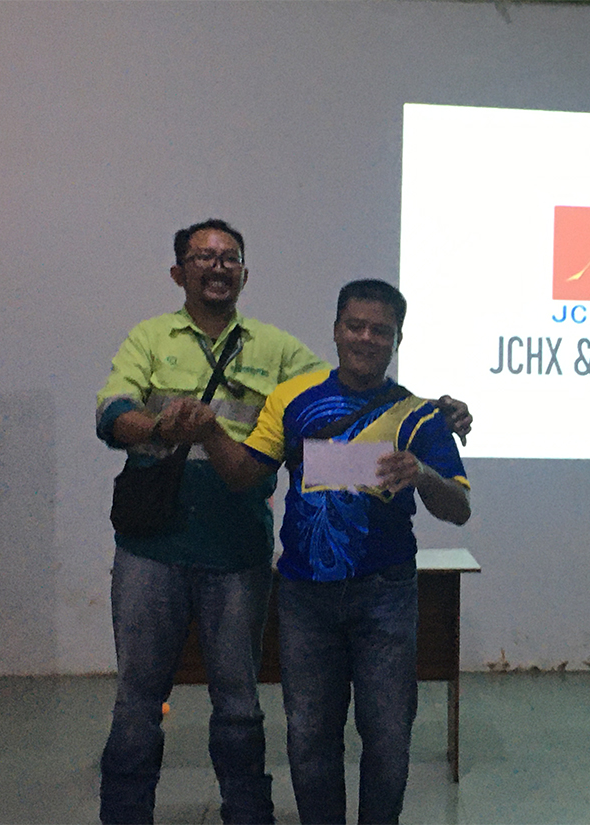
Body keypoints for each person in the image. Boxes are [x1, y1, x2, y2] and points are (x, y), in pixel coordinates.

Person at [96, 220, 471, 824]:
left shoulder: (278, 351)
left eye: (230, 257)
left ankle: (249, 816)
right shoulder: (148, 338)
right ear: (179, 271)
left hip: (248, 557)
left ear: (245, 273)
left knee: (249, 709)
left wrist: (436, 414)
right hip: (156, 550)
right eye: (204, 256)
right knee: (144, 704)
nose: (218, 266)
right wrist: (170, 426)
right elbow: (113, 414)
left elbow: (358, 385)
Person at [190, 278, 470, 825]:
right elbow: (245, 475)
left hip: (386, 594)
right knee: (309, 735)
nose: (366, 338)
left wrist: (422, 472)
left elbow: (458, 508)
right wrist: (208, 432)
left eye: (380, 330)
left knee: (388, 736)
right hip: (304, 596)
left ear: (398, 339)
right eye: (355, 326)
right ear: (336, 330)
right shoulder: (292, 399)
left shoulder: (421, 416)